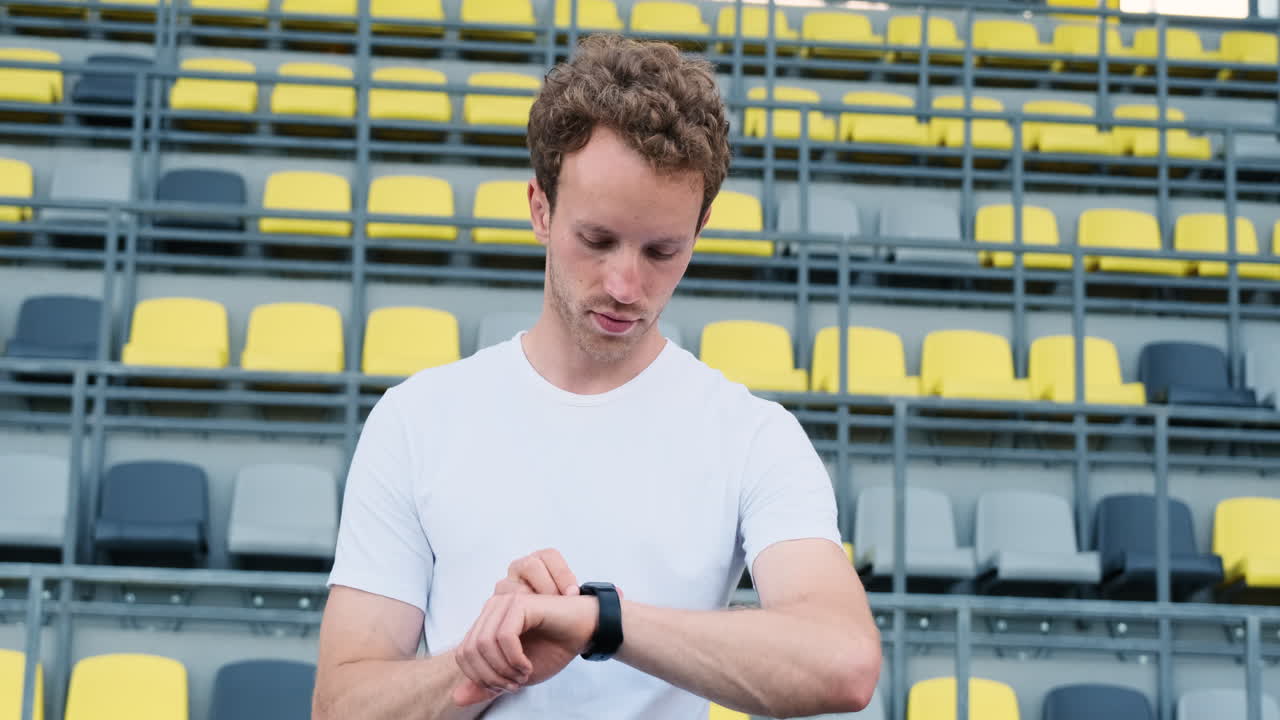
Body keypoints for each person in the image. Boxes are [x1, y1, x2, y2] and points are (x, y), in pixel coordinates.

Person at [313, 34, 881, 720]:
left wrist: (599, 623)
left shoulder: (752, 437)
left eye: (662, 251)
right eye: (598, 240)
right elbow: (341, 706)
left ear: (698, 233)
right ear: (540, 210)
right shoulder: (418, 419)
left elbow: (844, 662)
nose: (624, 284)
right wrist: (480, 670)